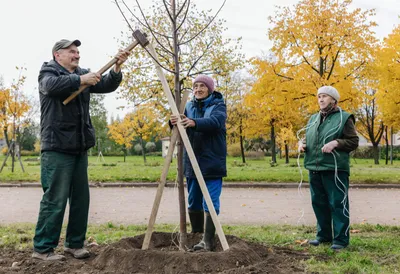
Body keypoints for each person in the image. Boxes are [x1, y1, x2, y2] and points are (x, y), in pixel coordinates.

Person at [32, 39, 129, 261]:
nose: (77, 55)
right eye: (72, 52)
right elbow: (51, 87)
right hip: (56, 147)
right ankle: (42, 249)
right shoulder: (48, 72)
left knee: (80, 200)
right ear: (58, 55)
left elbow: (106, 85)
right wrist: (79, 79)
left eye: (78, 52)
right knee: (55, 199)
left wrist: (116, 67)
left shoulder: (83, 74)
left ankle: (74, 244)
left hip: (78, 147)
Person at [170, 74, 227, 251]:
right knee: (194, 201)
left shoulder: (218, 105)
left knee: (210, 201)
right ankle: (196, 236)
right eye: (195, 87)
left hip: (211, 162)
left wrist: (194, 122)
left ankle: (208, 240)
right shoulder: (188, 106)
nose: (198, 89)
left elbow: (215, 122)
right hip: (191, 161)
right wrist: (173, 123)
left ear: (210, 89)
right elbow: (182, 127)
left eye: (202, 86)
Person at [299, 86, 359, 250]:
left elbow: (353, 142)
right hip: (314, 167)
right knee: (319, 203)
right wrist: (303, 144)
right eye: (319, 96)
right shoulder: (313, 119)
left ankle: (340, 240)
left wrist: (336, 143)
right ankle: (323, 236)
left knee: (338, 203)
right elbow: (309, 138)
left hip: (335, 169)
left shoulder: (344, 118)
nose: (321, 99)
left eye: (324, 96)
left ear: (333, 99)